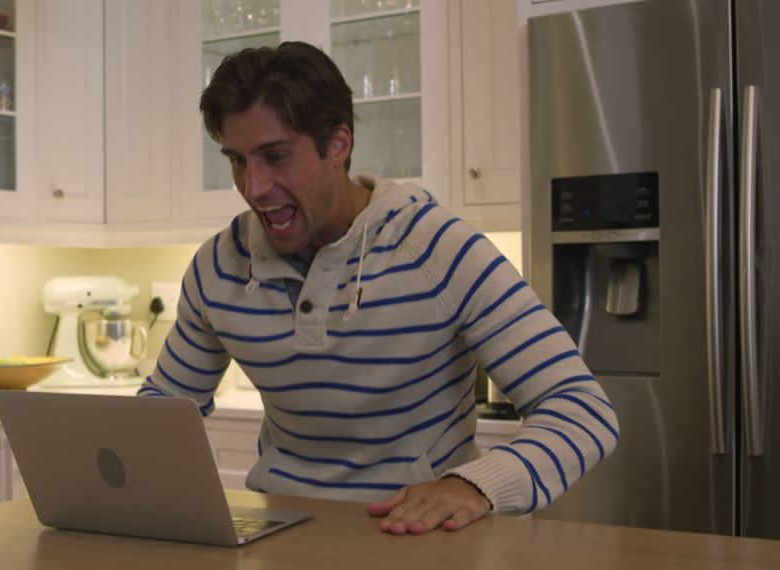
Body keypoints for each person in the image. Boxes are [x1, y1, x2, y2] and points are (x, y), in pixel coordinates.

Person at [138, 41, 618, 535]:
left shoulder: (439, 250)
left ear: (338, 144)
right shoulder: (219, 267)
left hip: (418, 539)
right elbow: (165, 410)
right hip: (279, 536)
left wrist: (475, 484)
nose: (254, 187)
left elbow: (582, 411)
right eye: (237, 161)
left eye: (275, 156)